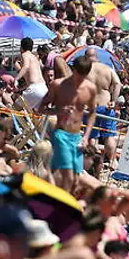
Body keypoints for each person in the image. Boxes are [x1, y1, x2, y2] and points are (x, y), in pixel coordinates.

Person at [47, 52, 97, 191]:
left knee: (75, 179)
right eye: (79, 75)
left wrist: (86, 136)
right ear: (73, 70)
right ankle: (63, 209)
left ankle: (55, 200)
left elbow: (93, 112)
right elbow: (40, 109)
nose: (81, 79)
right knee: (68, 176)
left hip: (77, 136)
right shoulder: (58, 85)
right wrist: (59, 111)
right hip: (61, 133)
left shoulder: (90, 88)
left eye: (84, 76)